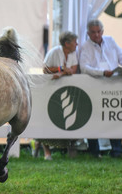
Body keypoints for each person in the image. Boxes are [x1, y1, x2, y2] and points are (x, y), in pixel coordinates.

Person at [80, 19, 122, 158]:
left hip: (113, 85)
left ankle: (117, 150)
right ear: (88, 33)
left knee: (114, 118)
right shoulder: (85, 46)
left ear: (103, 31)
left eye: (99, 32)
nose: (96, 35)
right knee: (93, 119)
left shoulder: (110, 40)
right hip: (95, 86)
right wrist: (101, 73)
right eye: (93, 33)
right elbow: (84, 67)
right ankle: (95, 152)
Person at [35, 31, 79, 160]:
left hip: (66, 91)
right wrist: (61, 69)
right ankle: (46, 152)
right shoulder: (54, 52)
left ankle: (67, 150)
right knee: (47, 120)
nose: (77, 44)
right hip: (49, 91)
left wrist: (62, 73)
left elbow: (73, 70)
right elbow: (45, 69)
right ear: (67, 43)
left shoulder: (73, 54)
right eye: (74, 42)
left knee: (65, 119)